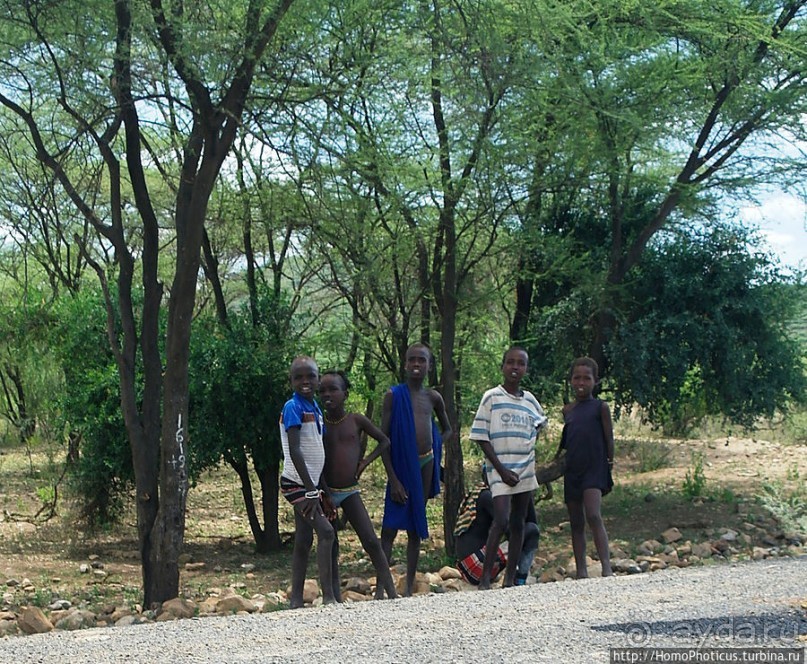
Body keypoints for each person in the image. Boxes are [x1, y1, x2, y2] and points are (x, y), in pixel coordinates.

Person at [470, 346, 547, 589]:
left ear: (526, 368)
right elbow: (482, 436)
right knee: (501, 519)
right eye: (510, 362)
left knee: (519, 522)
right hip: (499, 469)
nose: (515, 367)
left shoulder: (530, 400)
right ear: (503, 366)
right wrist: (502, 470)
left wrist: (526, 445)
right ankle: (484, 580)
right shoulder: (491, 397)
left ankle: (510, 579)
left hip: (524, 469)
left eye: (520, 363)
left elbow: (539, 424)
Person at [380, 342, 453, 596]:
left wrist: (437, 443)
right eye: (412, 360)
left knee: (414, 525)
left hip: (426, 463)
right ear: (404, 363)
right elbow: (384, 439)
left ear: (429, 366)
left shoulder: (433, 397)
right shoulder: (393, 395)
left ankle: (409, 586)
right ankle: (382, 587)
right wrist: (394, 478)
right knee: (389, 527)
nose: (416, 365)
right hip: (400, 466)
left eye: (422, 360)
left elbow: (447, 428)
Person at [319, 370, 398, 600]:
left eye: (333, 389)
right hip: (327, 491)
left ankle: (389, 592)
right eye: (322, 390)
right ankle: (333, 596)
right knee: (332, 544)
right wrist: (323, 490)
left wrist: (364, 462)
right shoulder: (320, 423)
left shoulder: (356, 420)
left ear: (345, 393)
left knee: (371, 541)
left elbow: (384, 441)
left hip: (349, 491)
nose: (327, 394)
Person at [279, 356, 338, 608]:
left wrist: (322, 487)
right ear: (291, 381)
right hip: (296, 483)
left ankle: (295, 601)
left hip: (311, 484)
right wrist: (311, 489)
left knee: (303, 540)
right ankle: (329, 597)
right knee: (326, 532)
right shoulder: (293, 407)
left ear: (317, 378)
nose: (305, 381)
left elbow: (317, 451)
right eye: (298, 377)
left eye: (310, 376)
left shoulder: (314, 409)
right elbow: (294, 449)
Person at [561, 356, 614, 578]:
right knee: (576, 521)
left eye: (586, 378)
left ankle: (606, 568)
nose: (581, 382)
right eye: (577, 378)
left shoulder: (600, 407)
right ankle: (581, 571)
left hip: (594, 468)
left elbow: (609, 439)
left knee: (593, 514)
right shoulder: (568, 410)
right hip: (573, 470)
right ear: (571, 381)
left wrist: (609, 465)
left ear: (595, 381)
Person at [454, 467, 540, 586]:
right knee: (532, 530)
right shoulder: (487, 497)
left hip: (466, 567)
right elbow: (514, 532)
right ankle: (520, 579)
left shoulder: (478, 492)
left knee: (526, 529)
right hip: (476, 566)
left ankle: (511, 577)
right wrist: (525, 494)